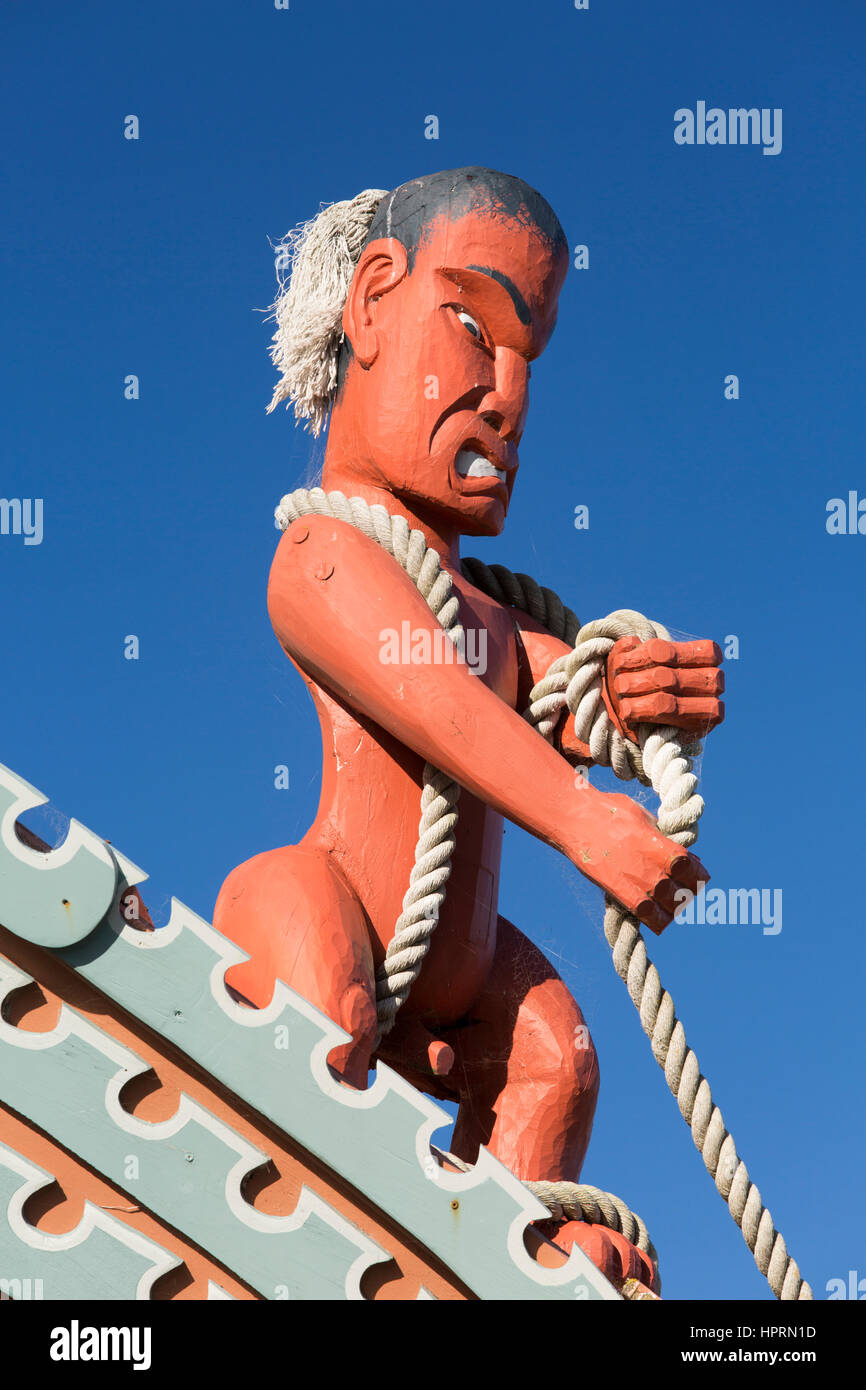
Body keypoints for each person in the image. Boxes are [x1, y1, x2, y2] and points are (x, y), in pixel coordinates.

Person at [215, 168, 724, 1292]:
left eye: (526, 359)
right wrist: (584, 823)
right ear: (372, 302)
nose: (505, 396)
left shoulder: (491, 612)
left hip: (466, 968)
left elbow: (566, 698)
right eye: (473, 325)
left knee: (556, 1051)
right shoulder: (324, 555)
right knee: (323, 990)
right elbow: (439, 700)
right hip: (334, 905)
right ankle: (322, 1234)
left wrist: (641, 695)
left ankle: (503, 1255)